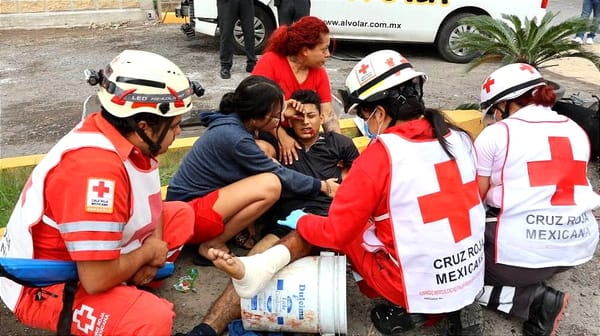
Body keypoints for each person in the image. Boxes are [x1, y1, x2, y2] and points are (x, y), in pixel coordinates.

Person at [209, 50, 487, 336]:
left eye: (364, 114)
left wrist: (303, 221)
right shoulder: (459, 138)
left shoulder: (381, 156)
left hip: (411, 283)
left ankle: (412, 306)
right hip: (469, 271)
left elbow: (336, 234)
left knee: (344, 228)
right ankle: (452, 303)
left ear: (379, 112)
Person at [0, 50, 203, 335]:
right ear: (144, 125)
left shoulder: (130, 139)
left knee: (181, 215)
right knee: (151, 319)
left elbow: (153, 201)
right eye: (175, 125)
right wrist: (148, 252)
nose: (179, 132)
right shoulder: (94, 170)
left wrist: (154, 252)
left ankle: (130, 284)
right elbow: (95, 278)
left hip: (91, 257)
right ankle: (126, 299)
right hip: (45, 285)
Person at [178, 89, 359, 336]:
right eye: (299, 116)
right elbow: (260, 126)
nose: (305, 122)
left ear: (321, 117)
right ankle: (206, 330)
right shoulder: (274, 143)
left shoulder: (340, 144)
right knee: (251, 266)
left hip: (325, 221)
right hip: (285, 221)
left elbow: (361, 182)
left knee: (283, 268)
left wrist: (345, 182)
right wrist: (283, 124)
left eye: (312, 116)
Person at [473, 63, 600, 336]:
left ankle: (532, 301)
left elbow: (475, 197)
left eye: (493, 111)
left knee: (452, 275)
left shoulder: (497, 134)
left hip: (516, 254)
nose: (493, 117)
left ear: (504, 104)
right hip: (576, 247)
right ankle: (534, 272)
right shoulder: (576, 130)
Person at [165, 76, 339, 267]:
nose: (281, 117)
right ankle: (212, 244)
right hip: (188, 219)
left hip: (191, 209)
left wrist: (280, 116)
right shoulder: (236, 138)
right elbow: (280, 175)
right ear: (260, 116)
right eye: (277, 113)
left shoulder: (234, 122)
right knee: (271, 185)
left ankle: (225, 234)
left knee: (266, 151)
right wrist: (322, 185)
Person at [252, 16, 341, 165]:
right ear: (305, 50)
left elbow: (328, 115)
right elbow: (255, 110)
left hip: (304, 134)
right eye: (324, 49)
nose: (328, 55)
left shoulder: (319, 72)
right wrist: (282, 136)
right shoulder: (270, 62)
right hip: (268, 130)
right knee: (264, 151)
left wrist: (339, 147)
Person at [217, 0, 257, 79]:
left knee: (249, 31)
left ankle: (252, 63)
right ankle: (225, 65)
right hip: (227, 2)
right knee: (226, 32)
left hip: (246, 2)